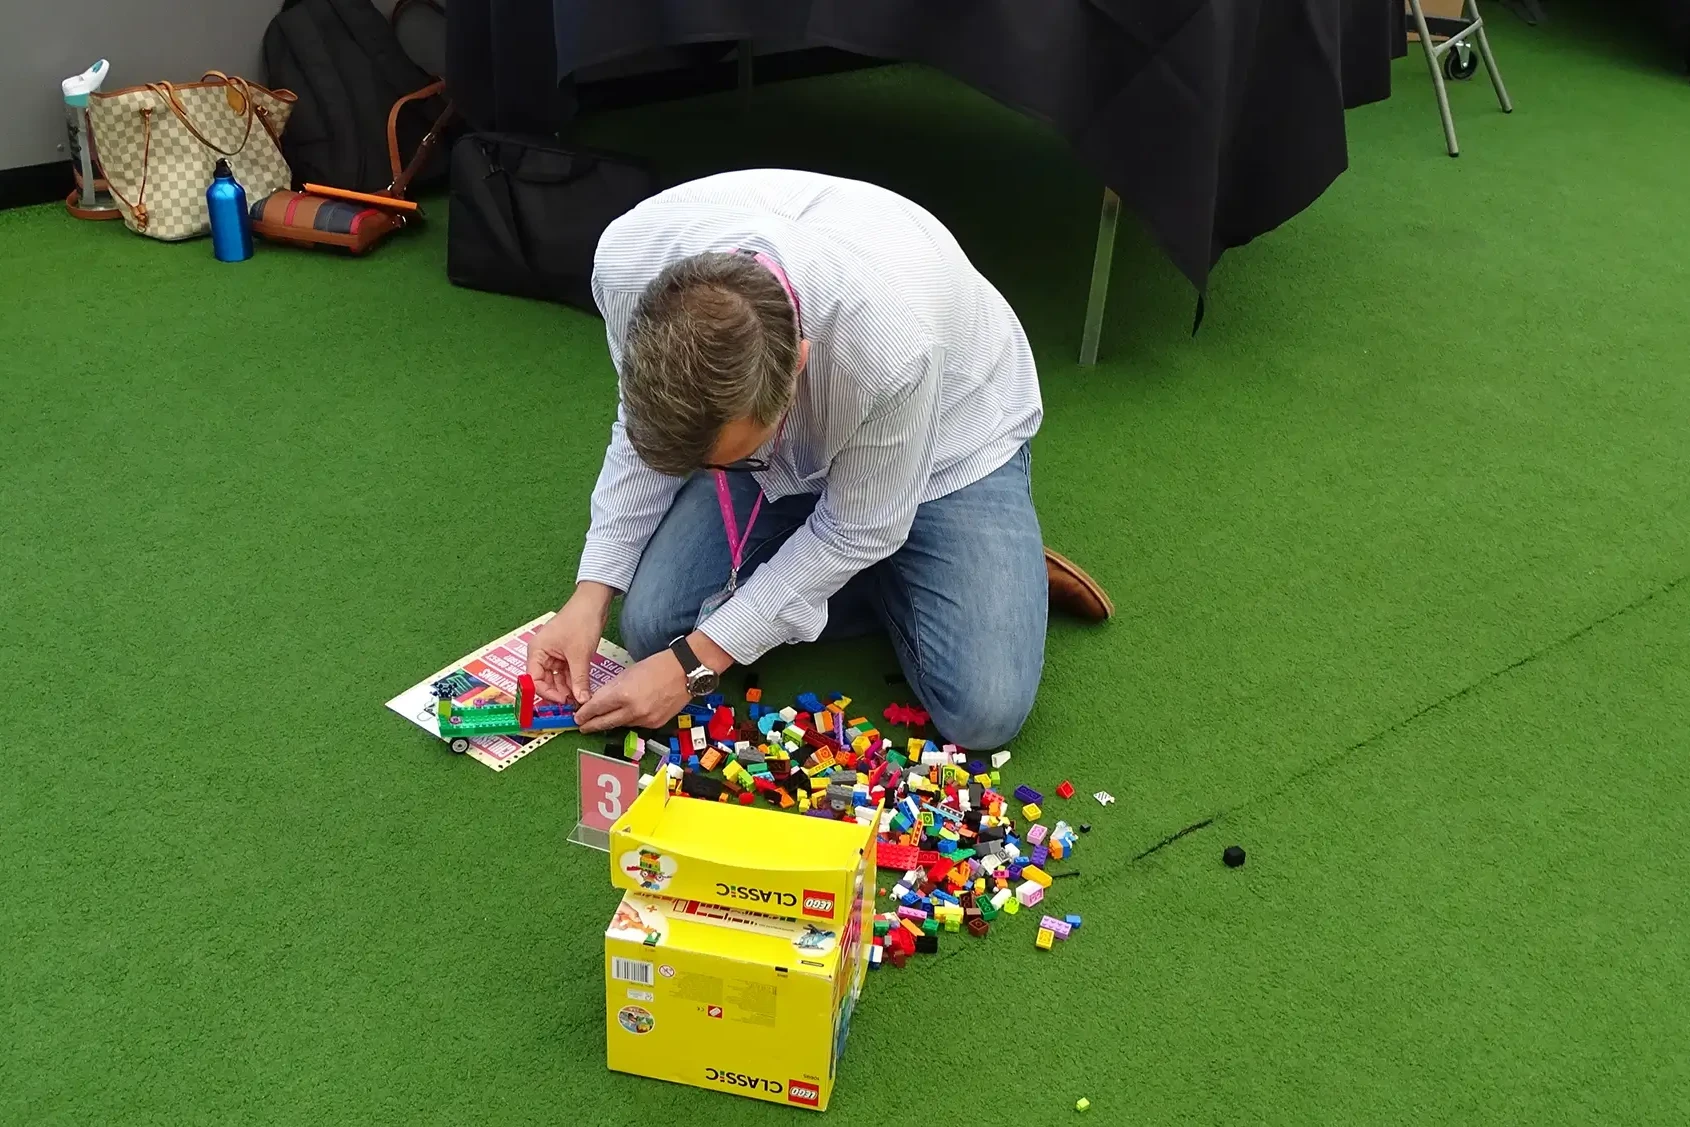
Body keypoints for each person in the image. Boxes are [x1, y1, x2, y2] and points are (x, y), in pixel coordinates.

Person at [526, 169, 1111, 749]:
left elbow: (855, 530)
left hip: (948, 443)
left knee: (984, 712)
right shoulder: (629, 265)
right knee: (654, 628)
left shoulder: (892, 345)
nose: (711, 472)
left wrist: (694, 665)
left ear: (798, 365)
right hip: (819, 443)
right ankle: (918, 574)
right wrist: (591, 592)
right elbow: (643, 429)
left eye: (735, 456)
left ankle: (975, 571)